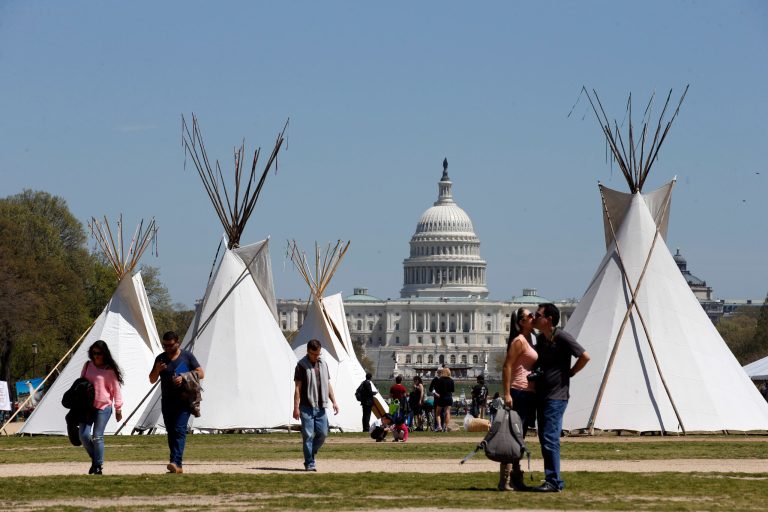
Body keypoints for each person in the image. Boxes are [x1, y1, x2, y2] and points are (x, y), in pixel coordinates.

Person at [531, 303, 590, 493]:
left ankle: (554, 481)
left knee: (550, 438)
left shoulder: (562, 336)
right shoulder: (541, 339)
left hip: (557, 395)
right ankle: (551, 478)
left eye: (537, 315)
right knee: (544, 437)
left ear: (548, 319)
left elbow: (585, 356)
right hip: (543, 394)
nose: (534, 317)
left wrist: (571, 372)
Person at [149, 331, 204, 474]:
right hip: (167, 401)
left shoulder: (187, 356)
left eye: (170, 345)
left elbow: (201, 373)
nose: (166, 348)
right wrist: (157, 369)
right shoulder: (160, 359)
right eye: (164, 345)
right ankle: (176, 464)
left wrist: (185, 376)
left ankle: (175, 461)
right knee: (171, 432)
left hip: (184, 401)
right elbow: (152, 379)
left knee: (179, 430)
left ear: (177, 343)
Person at [498, 307, 538, 491]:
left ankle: (515, 476)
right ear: (521, 322)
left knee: (520, 437)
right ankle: (506, 479)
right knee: (514, 437)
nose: (534, 317)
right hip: (518, 391)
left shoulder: (531, 339)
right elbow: (507, 366)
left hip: (528, 392)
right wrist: (507, 393)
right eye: (530, 315)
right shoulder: (519, 341)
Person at [293, 339, 339, 471]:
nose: (316, 357)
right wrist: (296, 407)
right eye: (314, 354)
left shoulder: (323, 364)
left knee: (323, 433)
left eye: (318, 354)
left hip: (321, 406)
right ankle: (309, 463)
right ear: (308, 352)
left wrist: (334, 401)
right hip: (306, 406)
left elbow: (327, 384)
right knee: (307, 435)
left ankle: (310, 452)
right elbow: (297, 388)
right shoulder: (301, 366)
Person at [79, 340, 123, 475]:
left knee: (97, 436)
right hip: (87, 406)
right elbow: (80, 384)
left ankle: (98, 466)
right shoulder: (87, 366)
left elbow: (116, 390)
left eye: (99, 353)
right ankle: (96, 460)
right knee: (84, 435)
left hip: (103, 407)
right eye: (94, 353)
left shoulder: (109, 370)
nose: (96, 356)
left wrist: (118, 408)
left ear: (104, 354)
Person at [432, 367, 455, 432]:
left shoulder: (440, 380)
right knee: (447, 412)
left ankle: (439, 426)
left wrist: (435, 393)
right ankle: (446, 427)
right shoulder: (451, 380)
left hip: (442, 398)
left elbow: (438, 390)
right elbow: (452, 390)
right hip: (449, 397)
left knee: (438, 413)